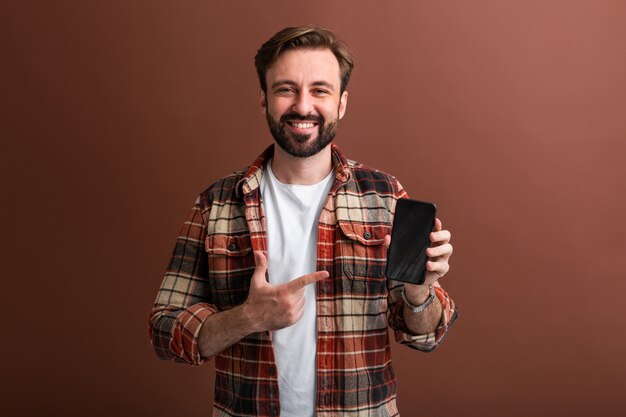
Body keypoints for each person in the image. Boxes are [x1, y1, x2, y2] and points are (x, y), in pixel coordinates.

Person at [149, 25, 458, 417]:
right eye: (285, 89)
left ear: (342, 102)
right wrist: (247, 318)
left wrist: (419, 292)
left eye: (319, 90)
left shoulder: (384, 196)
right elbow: (164, 330)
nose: (303, 105)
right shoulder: (217, 203)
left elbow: (427, 336)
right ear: (263, 99)